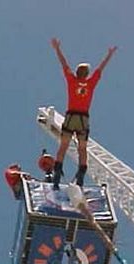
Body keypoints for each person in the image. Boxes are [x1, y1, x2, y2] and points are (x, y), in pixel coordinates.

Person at [50, 37, 118, 189]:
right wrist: (109, 55)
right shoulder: (90, 83)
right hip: (82, 119)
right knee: (82, 149)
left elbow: (64, 64)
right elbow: (101, 69)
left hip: (71, 117)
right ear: (86, 73)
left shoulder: (71, 80)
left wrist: (57, 49)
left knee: (63, 146)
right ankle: (80, 176)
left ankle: (57, 174)